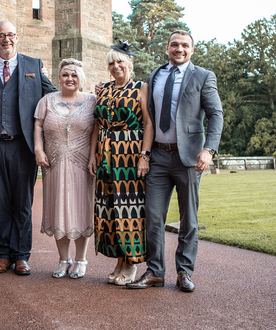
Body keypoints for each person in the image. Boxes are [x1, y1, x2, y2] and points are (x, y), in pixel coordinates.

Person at [126, 30, 223, 292]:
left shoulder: (203, 76)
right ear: (167, 48)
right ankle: (156, 271)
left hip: (189, 158)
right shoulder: (155, 75)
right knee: (153, 217)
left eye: (184, 45)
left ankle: (184, 272)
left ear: (192, 50)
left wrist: (208, 150)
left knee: (188, 219)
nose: (179, 49)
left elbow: (216, 114)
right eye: (174, 45)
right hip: (157, 156)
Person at [0, 21, 57, 276]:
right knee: (0, 202)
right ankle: (4, 255)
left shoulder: (33, 65)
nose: (6, 39)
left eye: (10, 35)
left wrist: (87, 97)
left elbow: (53, 95)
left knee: (23, 203)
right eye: (1, 35)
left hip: (23, 146)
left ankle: (22, 255)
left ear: (17, 37)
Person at [88, 41, 153, 286]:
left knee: (130, 210)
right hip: (105, 155)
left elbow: (148, 124)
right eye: (111, 63)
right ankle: (119, 260)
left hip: (130, 155)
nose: (116, 66)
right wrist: (92, 155)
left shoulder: (141, 87)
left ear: (129, 64)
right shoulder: (102, 89)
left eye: (120, 61)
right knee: (109, 210)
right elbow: (96, 125)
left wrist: (144, 156)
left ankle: (131, 262)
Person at [34, 59, 96, 279]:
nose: (70, 79)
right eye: (65, 75)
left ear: (81, 78)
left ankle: (81, 259)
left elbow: (98, 130)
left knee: (81, 208)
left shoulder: (92, 101)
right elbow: (38, 125)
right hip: (54, 163)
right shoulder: (46, 100)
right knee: (57, 208)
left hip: (82, 164)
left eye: (74, 75)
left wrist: (93, 156)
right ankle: (63, 259)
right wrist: (38, 150)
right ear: (58, 77)